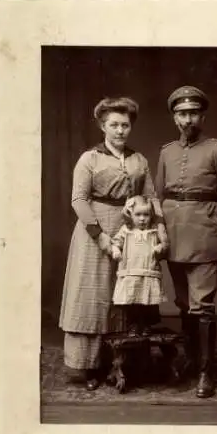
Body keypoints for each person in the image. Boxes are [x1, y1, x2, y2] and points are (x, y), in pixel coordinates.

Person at [59, 97, 166, 391]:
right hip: (93, 230)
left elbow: (151, 198)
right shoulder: (89, 158)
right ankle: (89, 366)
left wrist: (160, 232)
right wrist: (101, 236)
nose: (120, 131)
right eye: (114, 125)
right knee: (92, 295)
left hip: (131, 232)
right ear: (102, 126)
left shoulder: (139, 160)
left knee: (122, 294)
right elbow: (78, 200)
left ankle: (120, 363)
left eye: (125, 125)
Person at [155, 85, 217, 398]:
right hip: (174, 235)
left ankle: (207, 373)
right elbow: (157, 196)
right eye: (181, 113)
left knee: (202, 306)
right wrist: (160, 231)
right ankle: (191, 360)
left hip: (204, 234)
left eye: (193, 113)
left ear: (202, 116)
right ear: (174, 118)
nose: (187, 119)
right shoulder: (166, 151)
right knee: (183, 305)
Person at [111, 195, 168, 337]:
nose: (142, 218)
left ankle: (147, 325)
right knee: (132, 302)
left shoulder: (154, 232)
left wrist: (160, 247)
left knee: (148, 302)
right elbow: (116, 242)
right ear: (130, 214)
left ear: (151, 215)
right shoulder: (127, 231)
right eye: (138, 214)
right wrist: (116, 250)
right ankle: (133, 326)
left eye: (146, 215)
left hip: (148, 272)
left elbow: (165, 245)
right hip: (131, 273)